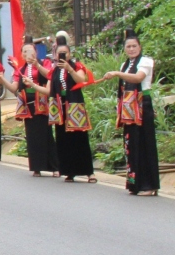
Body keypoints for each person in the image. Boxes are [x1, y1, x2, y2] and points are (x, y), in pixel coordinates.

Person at [103, 30, 160, 195]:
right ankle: (136, 184)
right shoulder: (125, 64)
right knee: (131, 144)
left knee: (145, 143)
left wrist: (116, 73)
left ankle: (150, 185)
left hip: (142, 106)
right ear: (124, 49)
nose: (131, 49)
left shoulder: (146, 62)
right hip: (129, 110)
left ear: (140, 47)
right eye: (128, 46)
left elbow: (137, 78)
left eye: (134, 46)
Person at [0, 44, 58, 176]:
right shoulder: (20, 69)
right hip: (28, 106)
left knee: (47, 135)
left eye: (30, 51)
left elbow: (50, 75)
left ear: (35, 52)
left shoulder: (45, 63)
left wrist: (37, 65)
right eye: (24, 52)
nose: (28, 54)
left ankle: (53, 166)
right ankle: (36, 167)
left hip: (42, 104)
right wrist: (2, 79)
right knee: (32, 137)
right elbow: (14, 88)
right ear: (22, 55)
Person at [49, 36, 96, 183]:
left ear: (69, 54)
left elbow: (81, 80)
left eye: (65, 53)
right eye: (59, 53)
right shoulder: (55, 70)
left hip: (74, 106)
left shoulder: (77, 66)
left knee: (80, 139)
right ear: (56, 55)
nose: (62, 55)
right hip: (60, 107)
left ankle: (89, 172)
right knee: (63, 139)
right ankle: (69, 171)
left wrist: (69, 69)